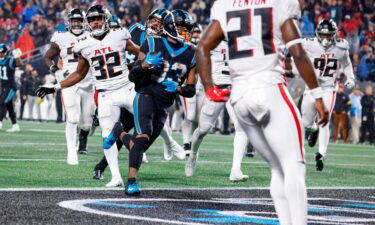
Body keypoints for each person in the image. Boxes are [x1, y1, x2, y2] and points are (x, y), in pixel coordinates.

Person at [196, 0, 329, 224]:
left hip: (239, 96)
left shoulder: (224, 4)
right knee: (293, 165)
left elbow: (202, 47)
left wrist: (210, 89)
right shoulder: (281, 2)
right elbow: (297, 52)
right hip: (270, 88)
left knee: (278, 168)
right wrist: (317, 96)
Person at [36, 5, 140, 187]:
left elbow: (139, 53)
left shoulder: (119, 34)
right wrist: (55, 87)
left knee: (149, 122)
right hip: (106, 95)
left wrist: (142, 67)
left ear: (106, 19)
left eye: (99, 18)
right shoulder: (83, 45)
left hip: (127, 88)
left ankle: (158, 148)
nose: (96, 22)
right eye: (92, 20)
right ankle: (116, 176)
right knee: (106, 136)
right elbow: (78, 74)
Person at [102, 10, 196, 196]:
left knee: (138, 145)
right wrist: (144, 65)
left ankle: (118, 131)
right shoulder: (153, 42)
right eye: (182, 28)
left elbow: (191, 90)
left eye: (188, 29)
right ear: (170, 26)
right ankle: (131, 183)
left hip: (164, 104)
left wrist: (178, 89)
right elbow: (133, 75)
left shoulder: (191, 53)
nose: (186, 33)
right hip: (145, 95)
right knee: (142, 136)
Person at [184, 35, 249, 182]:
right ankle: (192, 155)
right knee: (203, 130)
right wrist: (208, 84)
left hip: (236, 90)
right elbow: (199, 58)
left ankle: (235, 169)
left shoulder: (244, 40)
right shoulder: (213, 39)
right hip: (217, 89)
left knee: (242, 126)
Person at [295, 19, 355, 171]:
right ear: (317, 34)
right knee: (306, 123)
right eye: (322, 35)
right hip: (311, 88)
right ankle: (313, 129)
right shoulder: (309, 43)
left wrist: (351, 78)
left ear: (335, 35)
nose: (326, 39)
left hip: (329, 89)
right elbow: (295, 54)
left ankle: (321, 153)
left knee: (325, 121)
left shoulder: (341, 47)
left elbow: (347, 64)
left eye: (329, 36)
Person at [43, 8, 95, 164]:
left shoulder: (92, 36)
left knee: (86, 124)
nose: (77, 23)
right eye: (74, 20)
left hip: (88, 82)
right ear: (69, 21)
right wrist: (54, 69)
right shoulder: (60, 37)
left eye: (79, 20)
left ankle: (82, 136)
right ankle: (72, 152)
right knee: (72, 118)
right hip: (68, 82)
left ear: (84, 22)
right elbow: (48, 57)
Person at [0, 43, 22, 132]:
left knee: (2, 102)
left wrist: (15, 52)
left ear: (5, 52)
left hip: (11, 87)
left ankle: (0, 122)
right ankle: (15, 125)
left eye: (1, 52)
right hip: (4, 87)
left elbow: (20, 63)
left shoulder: (10, 60)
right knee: (9, 106)